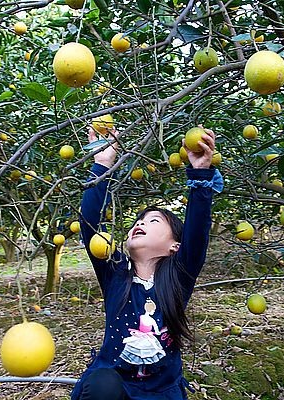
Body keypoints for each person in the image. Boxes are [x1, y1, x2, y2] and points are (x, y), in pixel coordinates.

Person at [72, 125, 222, 400]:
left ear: (175, 246)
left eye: (153, 221)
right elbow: (90, 226)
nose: (140, 223)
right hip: (115, 385)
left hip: (160, 392)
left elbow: (197, 232)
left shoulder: (178, 277)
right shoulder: (115, 272)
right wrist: (102, 163)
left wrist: (200, 174)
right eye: (138, 221)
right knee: (102, 384)